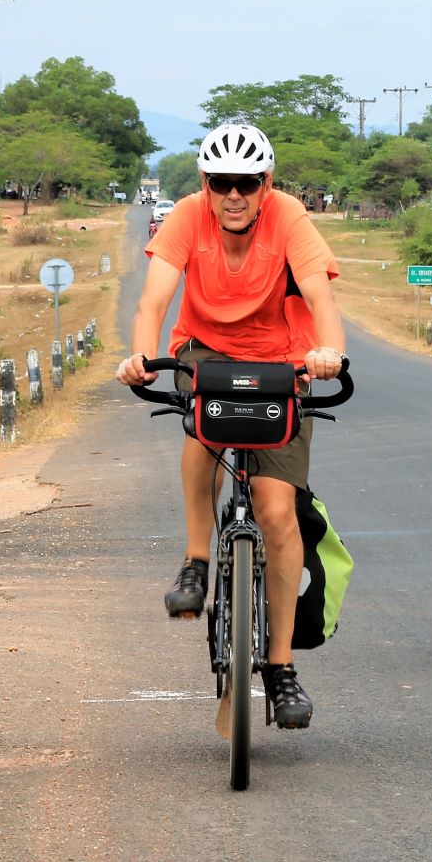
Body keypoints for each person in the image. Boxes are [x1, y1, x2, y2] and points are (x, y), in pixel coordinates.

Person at [116, 123, 346, 729]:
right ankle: (196, 560)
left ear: (266, 184)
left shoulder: (290, 217)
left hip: (283, 360)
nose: (234, 195)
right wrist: (139, 356)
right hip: (207, 353)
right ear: (205, 184)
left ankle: (281, 666)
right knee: (202, 422)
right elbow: (153, 301)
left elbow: (321, 300)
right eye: (222, 183)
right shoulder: (187, 217)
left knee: (276, 510)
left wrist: (329, 354)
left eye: (247, 182)